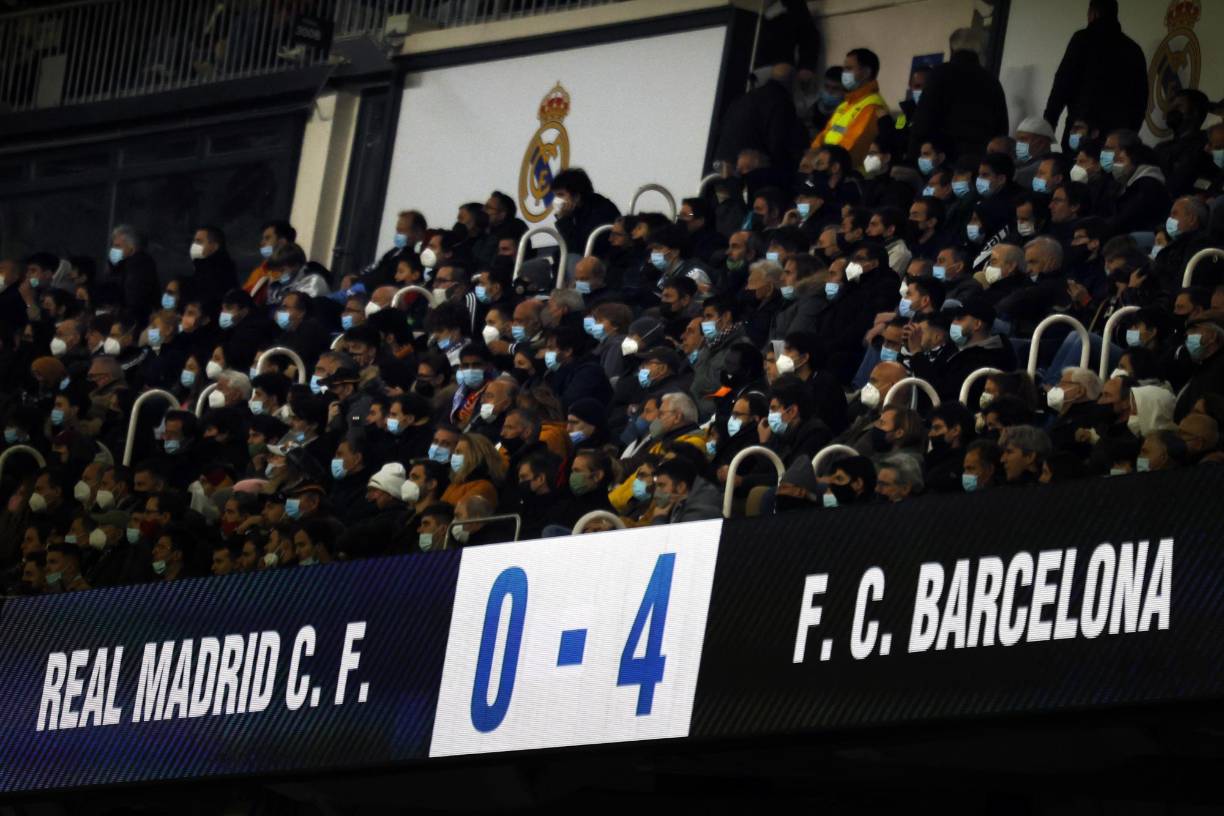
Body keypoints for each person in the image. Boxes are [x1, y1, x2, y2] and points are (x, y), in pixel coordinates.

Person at [1043, 0, 1147, 139]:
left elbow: (1062, 84)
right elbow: (1140, 99)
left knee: (1079, 161)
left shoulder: (1083, 39)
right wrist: (1130, 133)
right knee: (1109, 161)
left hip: (1081, 128)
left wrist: (1048, 126)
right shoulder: (1134, 50)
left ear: (1093, 13)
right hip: (1116, 136)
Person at [908, 27, 1008, 161]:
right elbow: (1001, 129)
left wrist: (912, 155)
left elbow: (923, 119)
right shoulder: (992, 81)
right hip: (978, 159)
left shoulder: (940, 73)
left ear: (952, 48)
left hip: (942, 155)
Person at [811, 48, 890, 168]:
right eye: (844, 69)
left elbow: (854, 144)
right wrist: (813, 155)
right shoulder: (846, 104)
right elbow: (826, 133)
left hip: (841, 172)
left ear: (866, 73)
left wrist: (826, 164)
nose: (844, 74)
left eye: (849, 69)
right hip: (827, 166)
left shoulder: (872, 105)